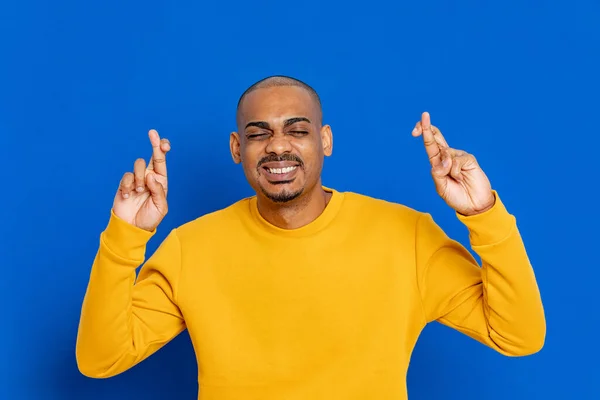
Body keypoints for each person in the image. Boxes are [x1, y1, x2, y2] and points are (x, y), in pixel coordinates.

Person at [75, 75, 546, 400]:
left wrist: (484, 215)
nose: (278, 145)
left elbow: (518, 335)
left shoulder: (407, 237)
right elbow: (100, 359)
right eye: (259, 134)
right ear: (237, 149)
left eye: (296, 131)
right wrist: (125, 237)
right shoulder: (190, 247)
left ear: (325, 141)